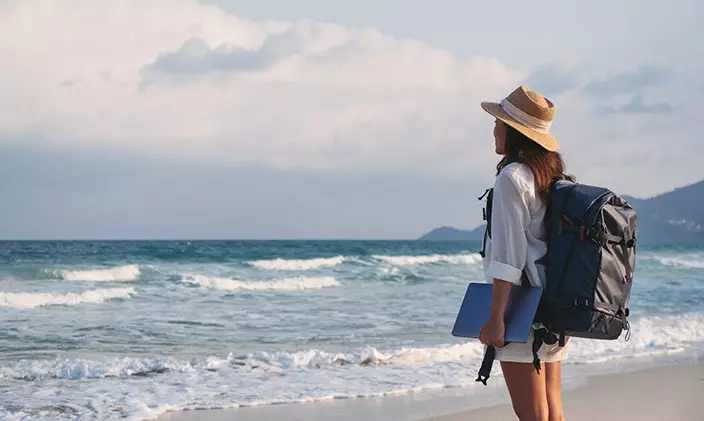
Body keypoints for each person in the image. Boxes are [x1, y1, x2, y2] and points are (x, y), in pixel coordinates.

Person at [477, 86, 572, 421]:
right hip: (555, 305)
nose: (494, 129)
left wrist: (496, 320)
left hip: (523, 310)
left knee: (533, 415)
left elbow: (508, 259)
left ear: (514, 131)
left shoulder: (511, 178)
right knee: (552, 413)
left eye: (499, 123)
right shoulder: (550, 174)